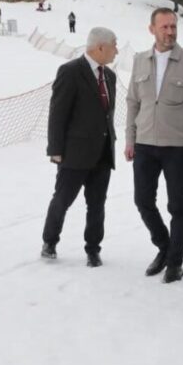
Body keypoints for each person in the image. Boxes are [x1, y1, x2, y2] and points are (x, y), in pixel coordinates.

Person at [125, 8, 183, 283]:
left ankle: (175, 262)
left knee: (177, 206)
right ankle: (164, 247)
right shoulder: (140, 61)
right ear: (152, 29)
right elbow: (132, 103)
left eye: (173, 27)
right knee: (143, 201)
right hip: (144, 144)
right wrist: (130, 139)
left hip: (176, 147)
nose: (170, 32)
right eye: (164, 27)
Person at [40, 27, 119, 266]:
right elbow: (58, 113)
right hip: (75, 153)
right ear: (100, 47)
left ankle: (93, 248)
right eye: (114, 45)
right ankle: (50, 241)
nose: (117, 50)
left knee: (97, 204)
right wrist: (55, 149)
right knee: (62, 199)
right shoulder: (70, 72)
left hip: (103, 152)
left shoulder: (110, 77)